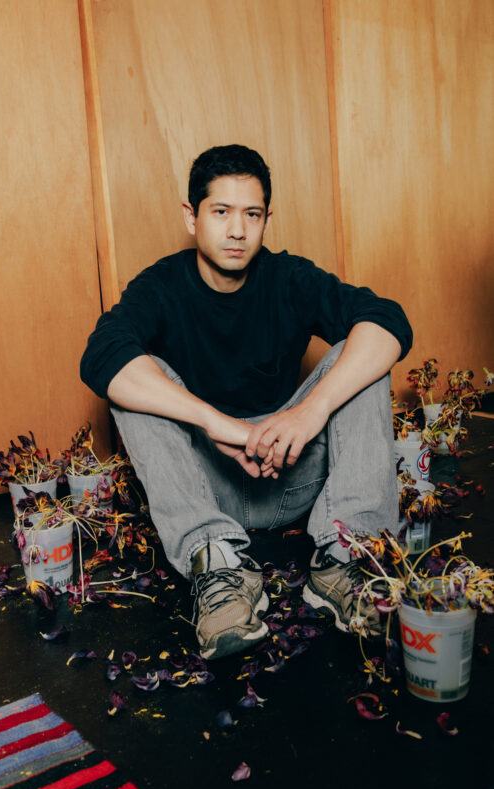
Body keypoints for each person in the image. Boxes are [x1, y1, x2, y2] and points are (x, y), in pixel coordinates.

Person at [80, 144, 412, 660]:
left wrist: (311, 411)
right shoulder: (160, 287)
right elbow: (101, 358)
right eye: (221, 212)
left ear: (266, 220)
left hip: (292, 472)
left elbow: (390, 321)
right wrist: (217, 424)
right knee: (137, 376)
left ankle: (346, 558)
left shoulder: (289, 278)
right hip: (205, 490)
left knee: (361, 350)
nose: (237, 230)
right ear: (191, 217)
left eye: (251, 215)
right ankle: (216, 567)